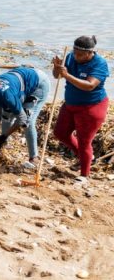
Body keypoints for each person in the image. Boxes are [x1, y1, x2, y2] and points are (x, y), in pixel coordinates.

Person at [51, 36, 109, 184]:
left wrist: (67, 75)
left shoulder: (100, 64)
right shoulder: (70, 56)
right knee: (60, 133)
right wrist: (57, 69)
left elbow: (90, 85)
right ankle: (87, 158)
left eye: (81, 55)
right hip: (70, 104)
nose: (76, 57)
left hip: (91, 106)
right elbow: (57, 76)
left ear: (90, 53)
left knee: (84, 141)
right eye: (75, 52)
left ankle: (84, 175)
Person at [0, 66, 51, 169]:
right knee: (6, 117)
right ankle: (1, 148)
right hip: (21, 83)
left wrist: (4, 135)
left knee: (28, 122)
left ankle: (34, 158)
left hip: (38, 84)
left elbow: (22, 119)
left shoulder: (7, 97)